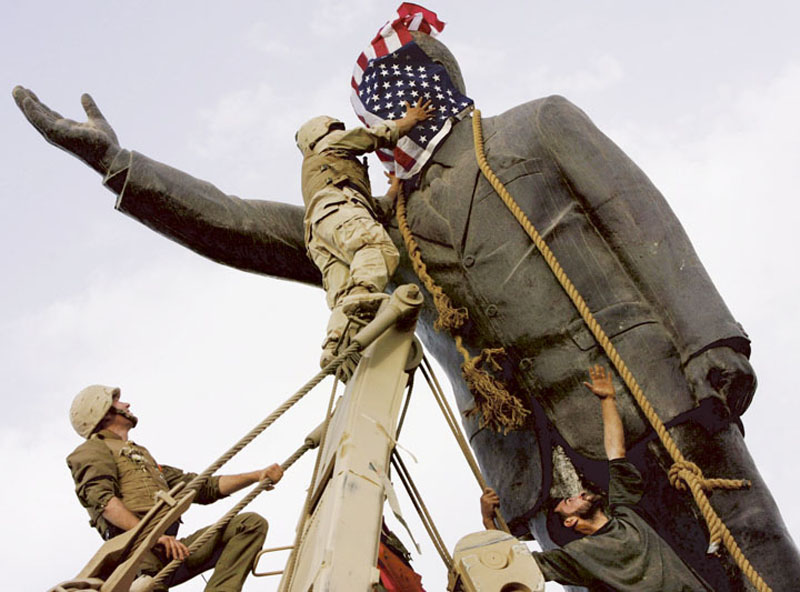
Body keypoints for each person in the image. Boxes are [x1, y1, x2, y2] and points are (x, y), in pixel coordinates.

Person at [13, 6, 799, 588]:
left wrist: (711, 341)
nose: (376, 122)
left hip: (654, 409)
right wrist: (123, 170)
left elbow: (641, 217)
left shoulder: (536, 129)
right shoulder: (387, 232)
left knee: (752, 562)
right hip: (543, 472)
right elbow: (248, 227)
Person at [481, 365, 709, 591]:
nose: (579, 493)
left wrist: (608, 400)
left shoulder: (628, 516)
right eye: (570, 501)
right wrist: (488, 521)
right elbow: (512, 566)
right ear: (570, 522)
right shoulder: (578, 557)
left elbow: (615, 453)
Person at [67, 384, 284, 592]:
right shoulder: (92, 450)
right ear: (104, 412)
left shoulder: (143, 458)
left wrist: (257, 475)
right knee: (148, 586)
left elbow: (203, 487)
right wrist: (152, 536)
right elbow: (105, 502)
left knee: (248, 525)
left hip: (168, 548)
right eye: (117, 401)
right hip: (136, 557)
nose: (126, 405)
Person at [296, 98, 434, 367]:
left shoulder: (326, 169)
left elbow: (376, 210)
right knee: (375, 248)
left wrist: (394, 189)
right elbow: (369, 137)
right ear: (320, 133)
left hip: (320, 233)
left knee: (343, 294)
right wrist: (410, 120)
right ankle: (362, 309)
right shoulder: (327, 145)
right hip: (338, 209)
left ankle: (337, 344)